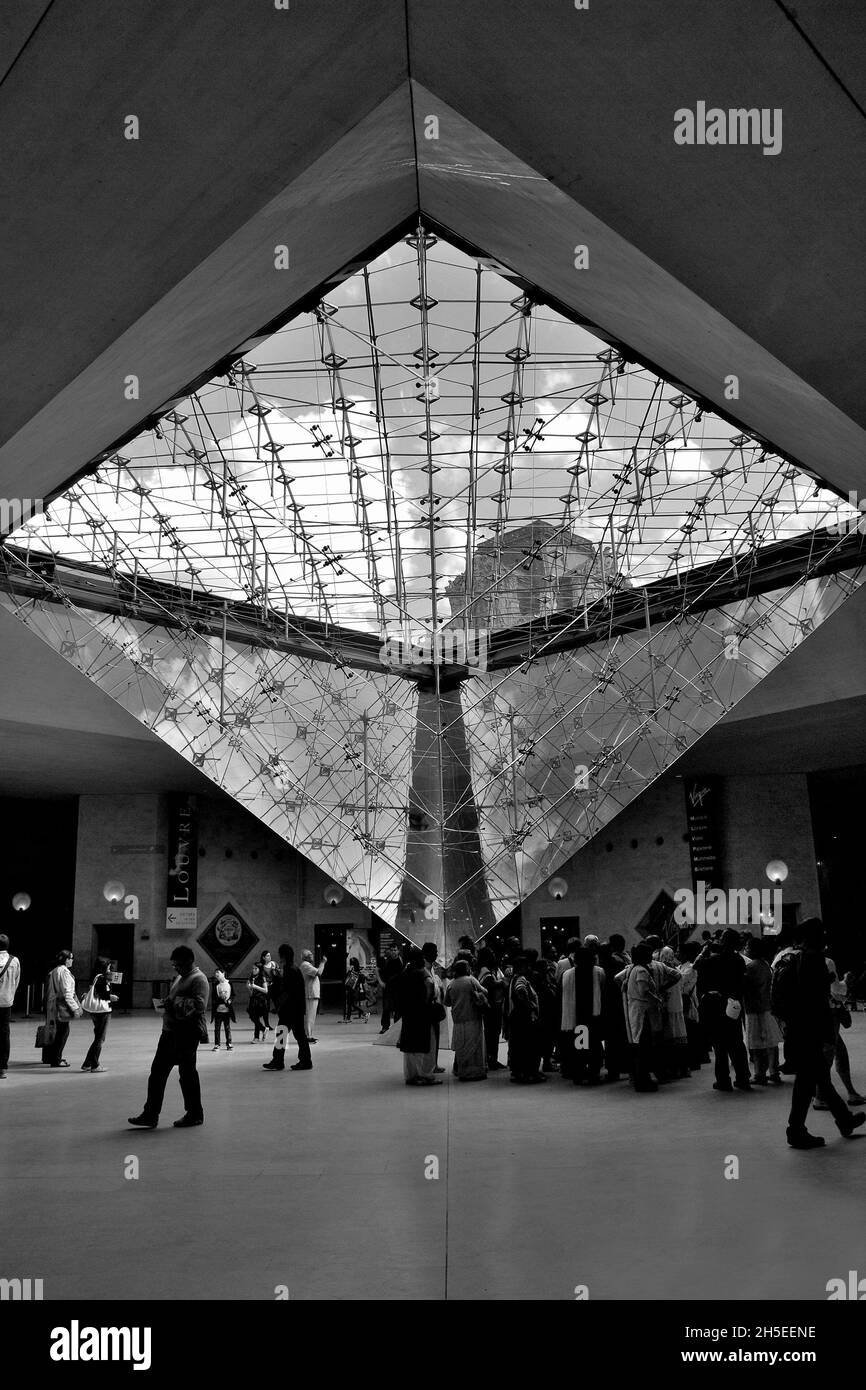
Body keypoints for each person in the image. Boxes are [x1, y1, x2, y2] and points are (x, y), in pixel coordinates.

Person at [774, 918, 866, 1149]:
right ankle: (796, 1130)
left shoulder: (794, 958)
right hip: (810, 1030)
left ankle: (843, 1120)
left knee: (817, 1079)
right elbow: (816, 1000)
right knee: (808, 1082)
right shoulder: (815, 960)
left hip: (799, 1029)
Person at [128, 945, 210, 1128]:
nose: (175, 968)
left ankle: (194, 1113)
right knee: (158, 1073)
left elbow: (199, 1005)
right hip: (171, 1032)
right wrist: (168, 1002)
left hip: (186, 1034)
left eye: (178, 964)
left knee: (186, 1074)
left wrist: (173, 1004)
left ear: (189, 961)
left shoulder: (199, 979)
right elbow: (178, 999)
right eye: (174, 965)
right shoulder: (182, 977)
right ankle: (151, 1114)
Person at [695, 928, 751, 1092]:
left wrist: (704, 950)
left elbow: (697, 965)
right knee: (736, 1042)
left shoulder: (714, 960)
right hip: (734, 1004)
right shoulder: (738, 960)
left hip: (717, 1004)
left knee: (720, 1045)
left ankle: (723, 1080)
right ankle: (743, 1077)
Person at [616, 942, 663, 1092]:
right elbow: (644, 991)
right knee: (644, 1047)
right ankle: (643, 1081)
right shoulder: (642, 971)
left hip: (634, 1010)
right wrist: (657, 999)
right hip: (643, 1012)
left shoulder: (631, 970)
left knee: (638, 1047)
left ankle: (640, 1079)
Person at [263, 945, 312, 1071]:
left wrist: (277, 1006)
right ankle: (285, 1060)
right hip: (295, 1008)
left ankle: (284, 1061)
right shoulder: (293, 968)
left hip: (291, 1009)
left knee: (288, 1034)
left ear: (283, 956)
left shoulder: (290, 970)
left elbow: (288, 992)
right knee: (290, 1034)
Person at [561, 943, 605, 1084]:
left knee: (580, 1047)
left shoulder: (568, 974)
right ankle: (593, 1074)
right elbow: (603, 989)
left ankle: (579, 1074)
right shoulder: (598, 972)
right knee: (594, 1046)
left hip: (577, 1016)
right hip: (593, 1015)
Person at [397, 947, 440, 1086]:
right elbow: (429, 984)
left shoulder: (405, 972)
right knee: (426, 1044)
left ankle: (411, 1076)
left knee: (410, 1046)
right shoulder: (421, 972)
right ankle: (426, 1075)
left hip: (408, 1013)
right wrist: (428, 999)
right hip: (422, 1013)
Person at [742, 938, 782, 1085]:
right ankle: (773, 1070)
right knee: (771, 1042)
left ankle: (759, 1073)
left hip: (754, 1009)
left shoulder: (751, 967)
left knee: (756, 1043)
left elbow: (747, 987)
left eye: (747, 947)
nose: (745, 949)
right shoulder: (765, 965)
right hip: (767, 1007)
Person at [445, 962, 488, 1081]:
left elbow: (447, 1002)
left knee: (462, 1047)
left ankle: (463, 1072)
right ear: (466, 969)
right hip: (473, 1017)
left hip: (458, 1020)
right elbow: (484, 991)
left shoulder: (451, 984)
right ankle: (476, 1072)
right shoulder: (471, 980)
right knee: (475, 1047)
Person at [508, 954, 545, 1084]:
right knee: (529, 1045)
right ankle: (530, 1072)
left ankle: (521, 1071)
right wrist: (530, 1006)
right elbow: (521, 990)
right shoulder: (521, 978)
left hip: (517, 1017)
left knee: (519, 1045)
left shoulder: (513, 978)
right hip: (524, 1017)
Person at [42, 949, 83, 1067]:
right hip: (61, 1006)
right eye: (70, 958)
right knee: (62, 1033)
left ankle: (52, 1057)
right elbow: (67, 993)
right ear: (65, 959)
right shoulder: (64, 972)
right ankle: (56, 1059)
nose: (72, 960)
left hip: (52, 1004)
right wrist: (75, 1009)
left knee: (56, 1032)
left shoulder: (54, 971)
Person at [80, 957, 119, 1072]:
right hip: (102, 1012)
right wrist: (111, 997)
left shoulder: (96, 977)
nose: (109, 967)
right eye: (108, 965)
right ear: (104, 966)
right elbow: (103, 994)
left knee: (98, 1037)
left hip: (95, 1012)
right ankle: (95, 1065)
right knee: (100, 1039)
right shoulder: (101, 978)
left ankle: (87, 1063)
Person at [476, 946, 507, 1070]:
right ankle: (491, 1059)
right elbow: (487, 986)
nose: (494, 956)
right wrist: (500, 983)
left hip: (495, 1005)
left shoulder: (489, 969)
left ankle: (493, 1058)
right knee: (492, 1034)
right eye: (491, 954)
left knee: (494, 1034)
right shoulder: (485, 971)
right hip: (492, 1007)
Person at [422, 942, 446, 1073]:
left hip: (434, 1007)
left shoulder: (431, 968)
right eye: (435, 951)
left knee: (435, 1037)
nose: (437, 954)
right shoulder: (424, 969)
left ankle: (434, 1064)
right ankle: (430, 1065)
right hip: (428, 1009)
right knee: (430, 1038)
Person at [0, 934, 21, 1078]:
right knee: (4, 1033)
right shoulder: (15, 961)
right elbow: (16, 980)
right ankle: (2, 1067)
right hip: (6, 1001)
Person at [300, 949, 326, 1043]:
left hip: (312, 994)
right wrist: (323, 962)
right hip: (310, 994)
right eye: (310, 955)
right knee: (309, 1016)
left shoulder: (308, 965)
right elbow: (319, 972)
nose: (312, 956)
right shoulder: (305, 965)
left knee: (311, 1016)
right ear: (305, 957)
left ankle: (309, 1035)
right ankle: (307, 1036)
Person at [247, 951, 274, 1042]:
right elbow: (251, 992)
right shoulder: (251, 978)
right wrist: (250, 988)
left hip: (261, 1001)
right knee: (253, 1017)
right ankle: (262, 1030)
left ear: (259, 969)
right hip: (253, 1000)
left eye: (255, 968)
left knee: (255, 1017)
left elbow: (265, 990)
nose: (253, 970)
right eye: (253, 968)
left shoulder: (262, 978)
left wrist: (255, 987)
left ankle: (256, 1037)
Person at [377, 946, 404, 1032]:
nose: (393, 952)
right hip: (388, 987)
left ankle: (397, 1028)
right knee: (386, 1008)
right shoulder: (386, 960)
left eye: (395, 950)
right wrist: (380, 982)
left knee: (398, 1009)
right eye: (392, 950)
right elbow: (377, 970)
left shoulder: (401, 961)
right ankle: (385, 1027)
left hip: (398, 988)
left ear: (398, 951)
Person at [210, 970, 236, 1051]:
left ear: (223, 973)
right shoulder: (215, 985)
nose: (216, 974)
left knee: (227, 1028)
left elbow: (233, 995)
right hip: (218, 1011)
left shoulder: (229, 983)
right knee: (217, 1028)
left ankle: (229, 1043)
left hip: (227, 1011)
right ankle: (217, 1044)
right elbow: (213, 997)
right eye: (215, 974)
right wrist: (221, 1000)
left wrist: (229, 1001)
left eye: (218, 972)